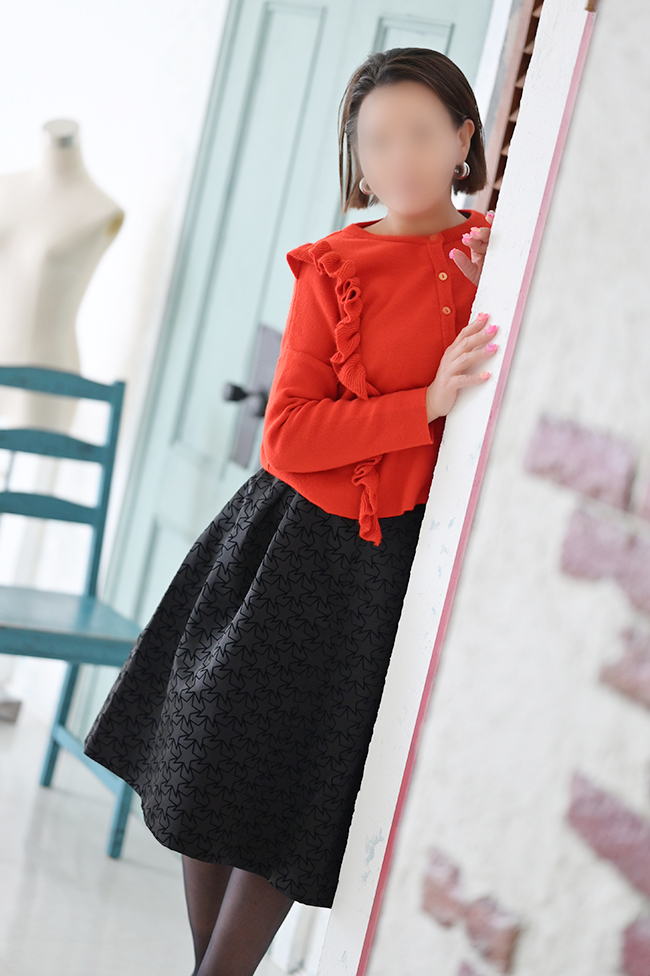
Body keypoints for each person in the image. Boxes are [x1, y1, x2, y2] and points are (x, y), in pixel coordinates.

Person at [84, 46, 496, 976]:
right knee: (216, 763)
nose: (398, 158)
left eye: (420, 134)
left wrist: (487, 271)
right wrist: (424, 404)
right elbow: (287, 436)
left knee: (295, 788)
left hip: (389, 567)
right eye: (376, 141)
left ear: (464, 137)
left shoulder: (492, 256)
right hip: (289, 548)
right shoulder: (334, 269)